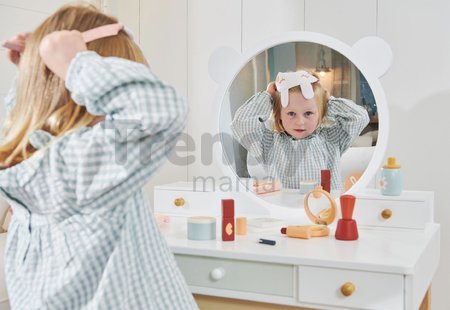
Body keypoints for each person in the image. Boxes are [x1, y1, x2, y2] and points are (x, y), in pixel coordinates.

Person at [0, 4, 197, 309]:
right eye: (113, 87)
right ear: (80, 89)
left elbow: (26, 120)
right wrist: (78, 63)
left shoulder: (26, 166)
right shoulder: (83, 168)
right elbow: (163, 110)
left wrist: (31, 76)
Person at [231, 70, 369, 191]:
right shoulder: (268, 144)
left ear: (320, 114)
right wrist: (267, 96)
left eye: (308, 113)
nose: (300, 122)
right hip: (284, 211)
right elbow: (241, 123)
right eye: (291, 113)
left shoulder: (332, 138)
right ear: (279, 115)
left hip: (325, 211)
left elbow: (360, 117)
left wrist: (328, 102)